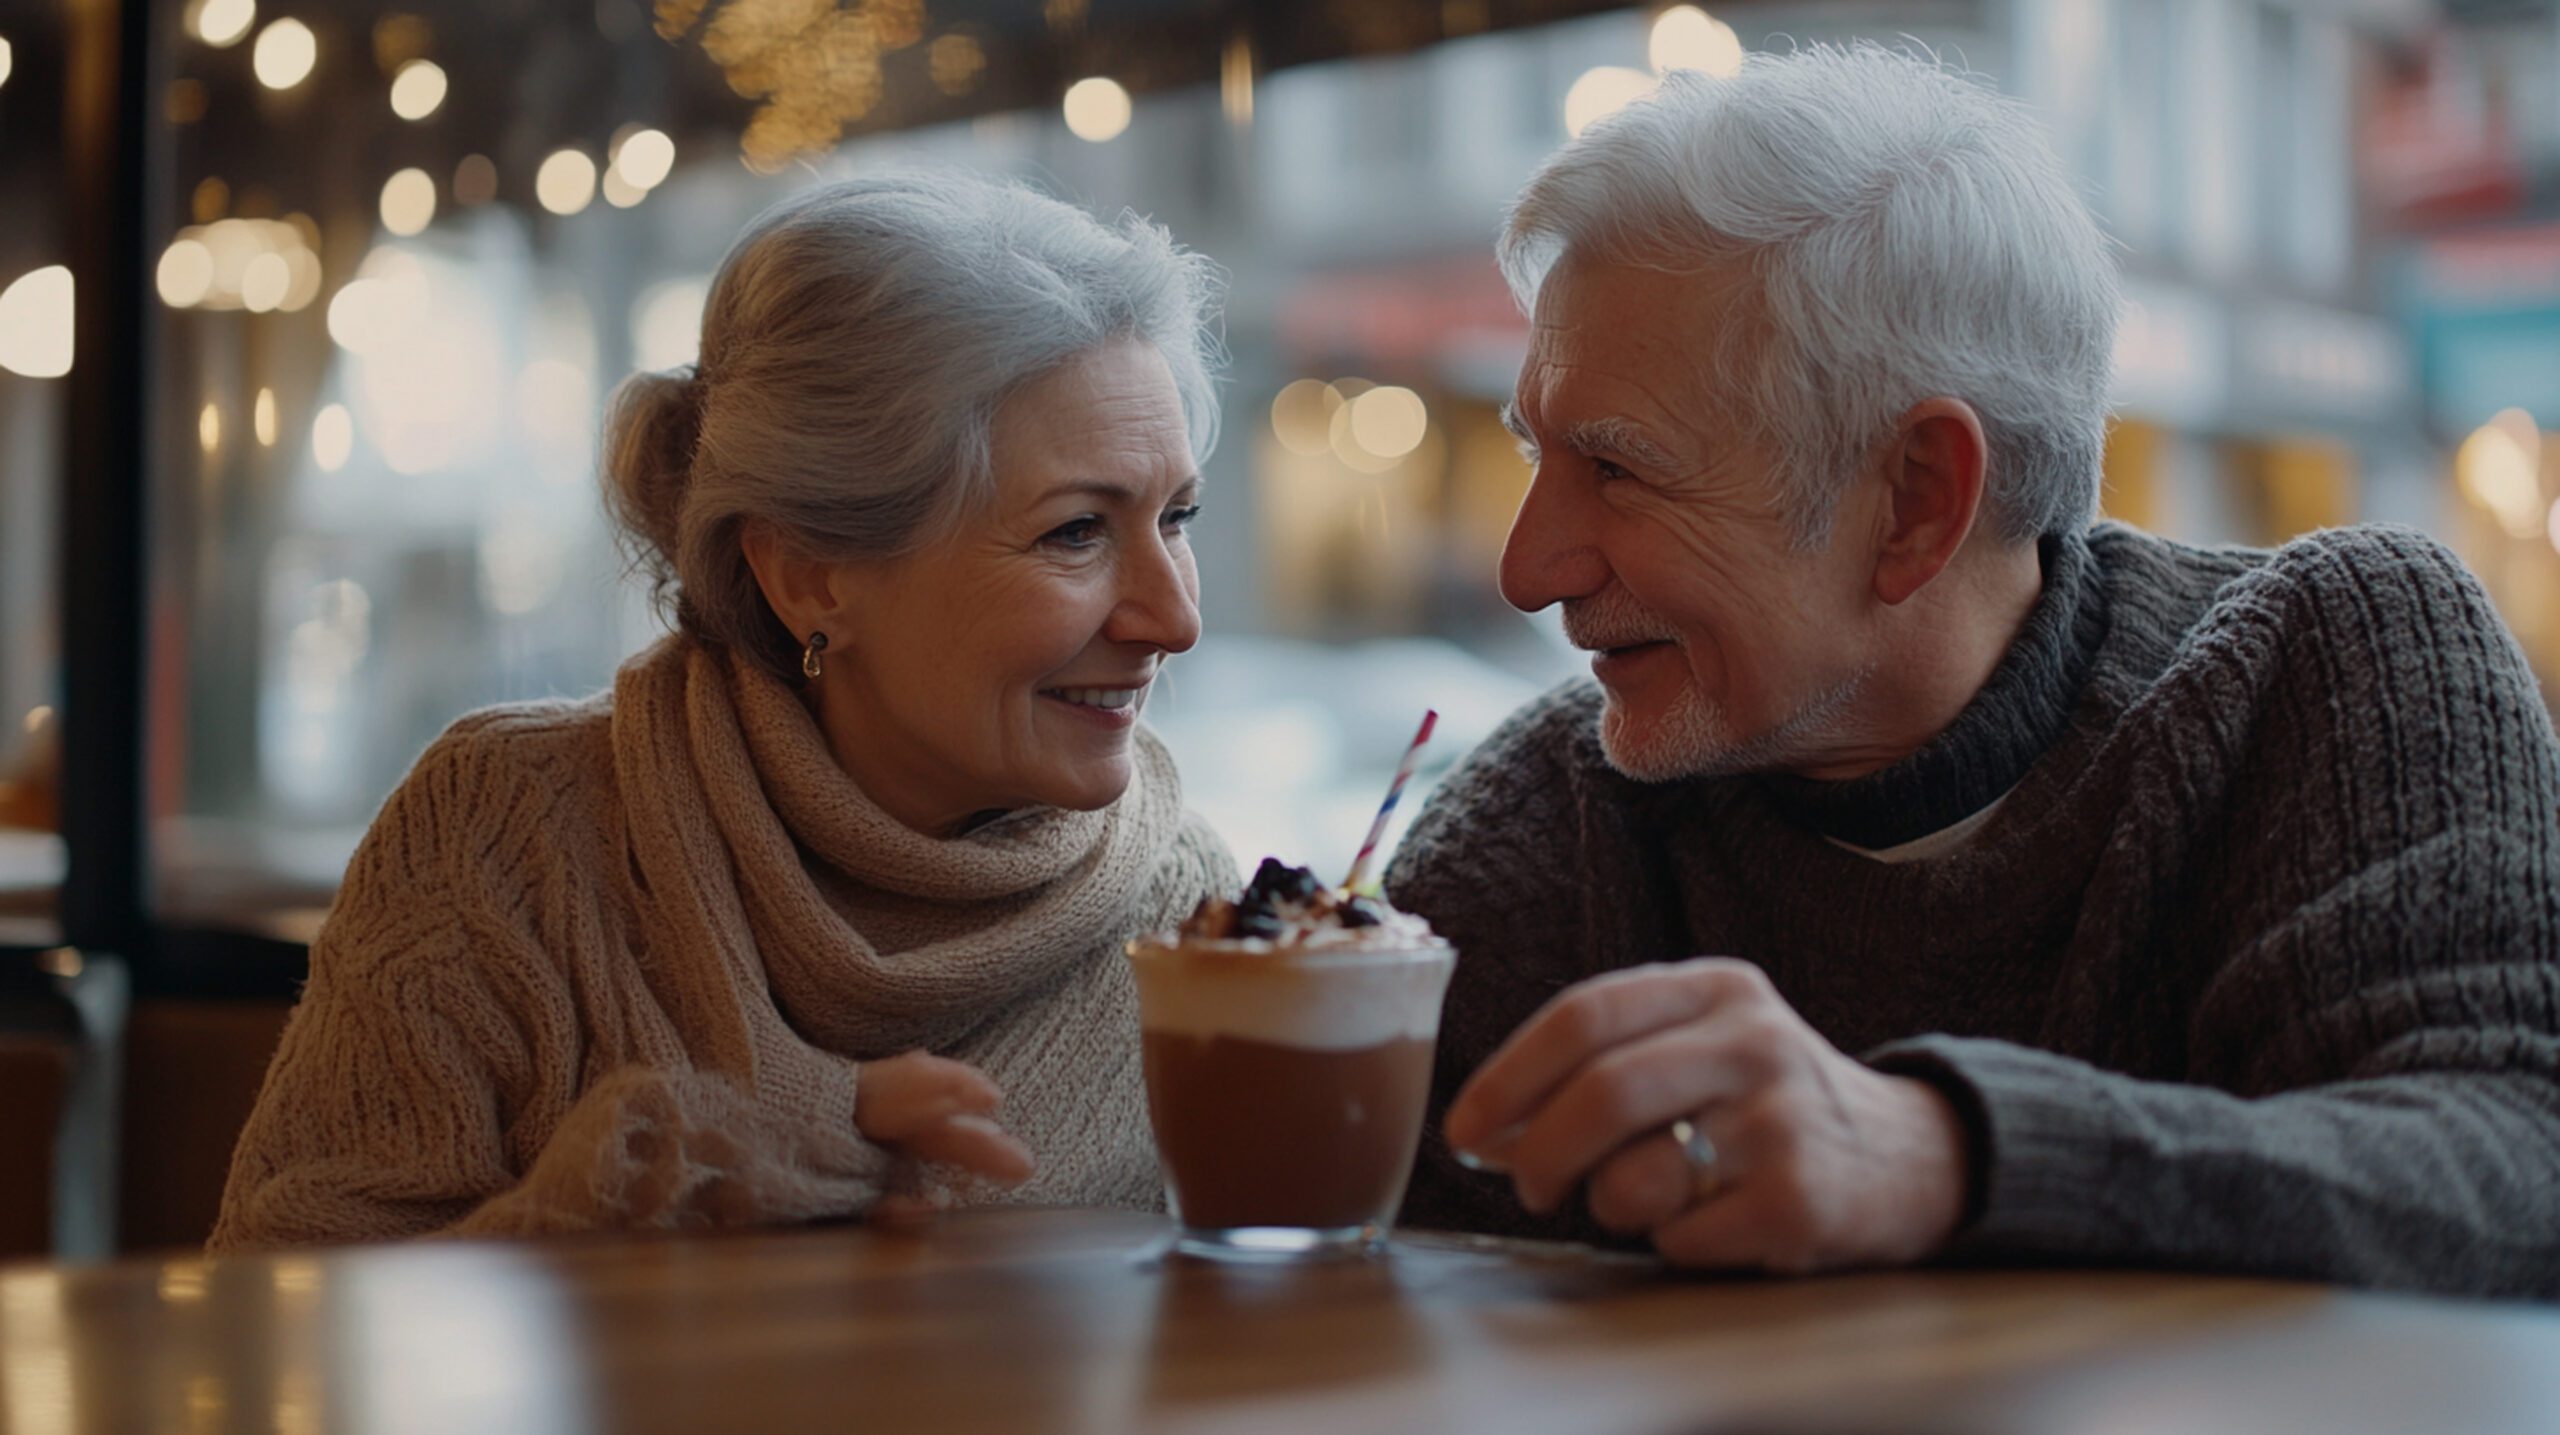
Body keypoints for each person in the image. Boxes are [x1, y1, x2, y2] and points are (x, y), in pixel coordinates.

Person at [1388, 45, 2560, 1297]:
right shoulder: (1548, 828)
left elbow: (2516, 1164)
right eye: (1537, 454)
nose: (1526, 568)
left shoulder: (2329, 662)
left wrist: (1942, 1152)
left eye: (1616, 468)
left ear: (1915, 500)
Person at [212, 172, 1235, 1250]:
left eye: (1178, 516)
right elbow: (275, 1335)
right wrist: (610, 1206)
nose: (1174, 619)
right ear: (808, 573)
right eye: (1076, 531)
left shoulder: (1202, 921)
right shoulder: (503, 839)